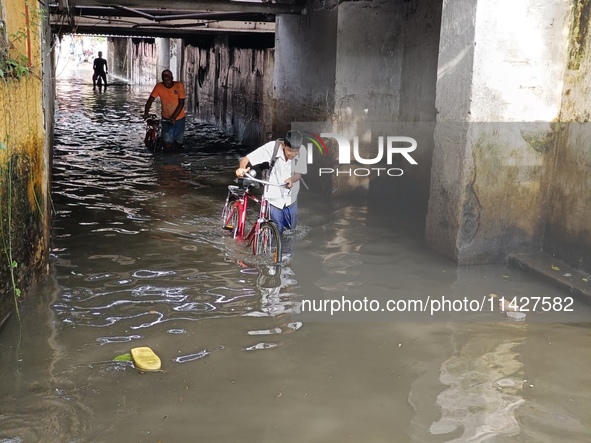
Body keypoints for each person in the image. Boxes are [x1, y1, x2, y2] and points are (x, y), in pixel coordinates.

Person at [235, 130, 307, 236]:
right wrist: (241, 169)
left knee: (291, 231)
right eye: (290, 150)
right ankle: (274, 250)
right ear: (284, 145)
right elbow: (247, 159)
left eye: (296, 151)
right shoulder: (272, 148)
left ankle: (287, 251)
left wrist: (291, 180)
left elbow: (299, 173)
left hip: (291, 196)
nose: (293, 154)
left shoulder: (303, 151)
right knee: (277, 230)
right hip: (274, 196)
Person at [143, 69, 186, 151]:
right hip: (166, 117)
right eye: (164, 80)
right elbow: (150, 100)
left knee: (178, 142)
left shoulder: (179, 86)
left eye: (168, 80)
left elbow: (181, 103)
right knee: (167, 142)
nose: (166, 82)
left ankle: (177, 160)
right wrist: (146, 113)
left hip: (179, 118)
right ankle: (168, 160)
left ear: (172, 78)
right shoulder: (159, 86)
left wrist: (173, 117)